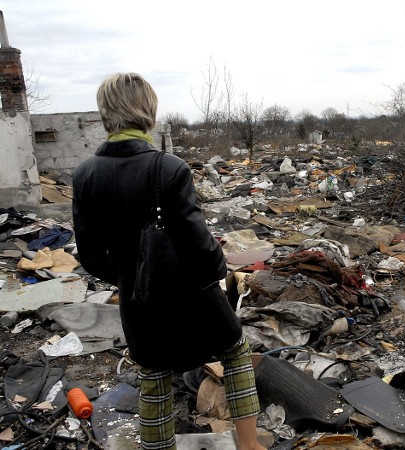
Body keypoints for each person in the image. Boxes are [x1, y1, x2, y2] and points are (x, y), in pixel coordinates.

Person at [72, 72, 266, 450]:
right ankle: (248, 444)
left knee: (154, 377)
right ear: (146, 109)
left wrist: (134, 276)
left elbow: (91, 257)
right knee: (236, 351)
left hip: (138, 302)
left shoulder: (84, 175)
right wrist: (217, 274)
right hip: (192, 294)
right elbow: (199, 245)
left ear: (106, 112)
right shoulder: (168, 167)